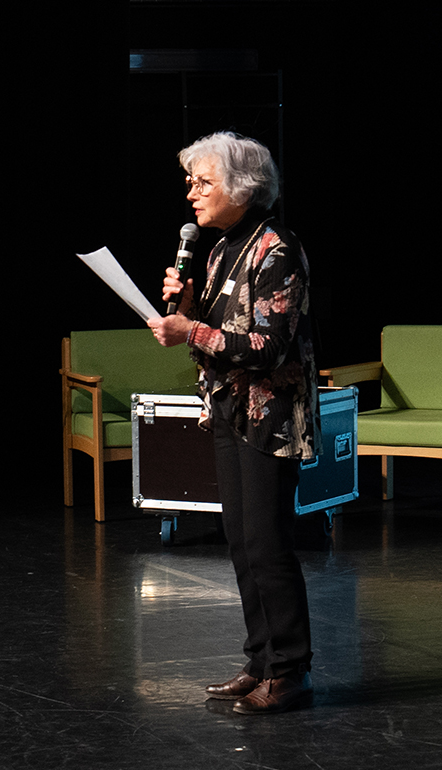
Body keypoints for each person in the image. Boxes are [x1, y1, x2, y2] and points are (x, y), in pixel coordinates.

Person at [147, 131, 318, 715]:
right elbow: (219, 334)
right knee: (242, 542)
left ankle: (290, 671)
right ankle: (261, 661)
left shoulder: (278, 249)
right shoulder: (221, 248)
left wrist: (191, 329)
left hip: (270, 416)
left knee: (269, 545)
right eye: (190, 181)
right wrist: (187, 307)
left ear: (242, 188)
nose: (191, 193)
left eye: (203, 182)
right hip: (229, 409)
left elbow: (267, 348)